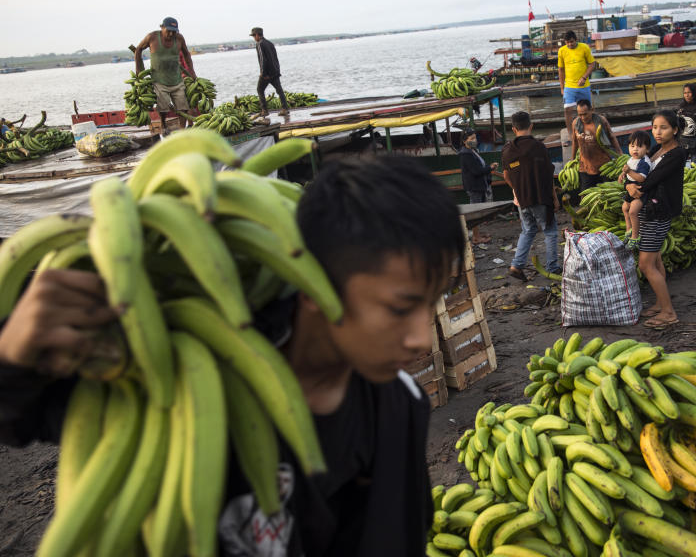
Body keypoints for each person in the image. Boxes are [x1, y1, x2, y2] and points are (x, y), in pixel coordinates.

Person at [0, 154, 464, 556]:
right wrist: (11, 356)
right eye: (401, 307)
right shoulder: (172, 377)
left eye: (434, 301)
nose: (422, 339)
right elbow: (17, 420)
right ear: (313, 285)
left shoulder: (399, 408)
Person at [633, 111, 686, 329]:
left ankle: (668, 312)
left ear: (674, 130)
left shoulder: (676, 153)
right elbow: (642, 171)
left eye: (663, 127)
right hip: (650, 210)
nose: (657, 132)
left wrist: (634, 187)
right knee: (656, 261)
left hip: (659, 212)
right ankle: (659, 303)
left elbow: (652, 180)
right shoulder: (657, 149)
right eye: (654, 127)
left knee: (645, 265)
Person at [502, 111, 561, 280]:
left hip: (520, 199)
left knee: (528, 230)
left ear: (513, 129)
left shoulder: (507, 150)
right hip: (540, 197)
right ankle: (552, 267)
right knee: (550, 230)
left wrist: (518, 189)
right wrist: (555, 199)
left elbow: (506, 176)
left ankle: (516, 264)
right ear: (531, 126)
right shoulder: (538, 147)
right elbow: (547, 175)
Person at [134, 16, 197, 133]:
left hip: (176, 79)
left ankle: (183, 130)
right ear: (162, 27)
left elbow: (186, 54)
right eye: (168, 31)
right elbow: (138, 49)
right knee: (163, 107)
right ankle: (163, 125)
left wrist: (192, 72)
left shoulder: (179, 39)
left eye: (174, 31)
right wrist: (139, 69)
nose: (171, 34)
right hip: (159, 80)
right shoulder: (152, 37)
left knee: (182, 107)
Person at [558, 31, 597, 159]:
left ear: (576, 40)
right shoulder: (562, 51)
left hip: (583, 86)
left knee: (588, 110)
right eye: (567, 42)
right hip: (569, 86)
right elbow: (561, 69)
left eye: (572, 42)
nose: (570, 44)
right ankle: (571, 135)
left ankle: (590, 132)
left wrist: (584, 77)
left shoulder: (584, 47)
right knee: (568, 110)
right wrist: (562, 87)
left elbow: (592, 64)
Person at [571, 99, 621, 194]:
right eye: (580, 114)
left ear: (592, 110)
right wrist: (572, 160)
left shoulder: (601, 121)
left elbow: (612, 137)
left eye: (585, 114)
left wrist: (619, 153)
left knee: (608, 193)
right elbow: (574, 142)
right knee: (585, 195)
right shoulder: (575, 123)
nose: (582, 117)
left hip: (604, 164)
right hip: (585, 166)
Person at [459, 131, 499, 244]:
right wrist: (490, 168)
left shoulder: (473, 151)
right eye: (471, 138)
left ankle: (478, 233)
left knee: (479, 210)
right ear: (464, 141)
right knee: (475, 212)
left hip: (479, 185)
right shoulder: (465, 154)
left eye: (475, 138)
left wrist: (489, 167)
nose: (474, 140)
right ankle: (476, 238)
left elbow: (480, 166)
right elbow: (476, 171)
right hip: (474, 187)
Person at [618, 131, 653, 250]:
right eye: (632, 146)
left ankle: (635, 237)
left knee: (633, 211)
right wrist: (623, 174)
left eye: (639, 146)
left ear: (647, 149)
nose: (635, 149)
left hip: (640, 191)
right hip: (630, 188)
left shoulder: (644, 162)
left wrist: (628, 172)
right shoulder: (632, 159)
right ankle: (629, 229)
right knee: (624, 208)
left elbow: (641, 178)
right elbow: (628, 168)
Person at [250, 27, 290, 117]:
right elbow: (275, 58)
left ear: (257, 35)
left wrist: (263, 73)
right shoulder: (270, 43)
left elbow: (262, 60)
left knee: (260, 89)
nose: (254, 38)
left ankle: (265, 111)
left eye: (253, 36)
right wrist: (277, 71)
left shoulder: (260, 44)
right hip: (275, 72)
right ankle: (285, 109)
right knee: (279, 91)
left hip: (267, 74)